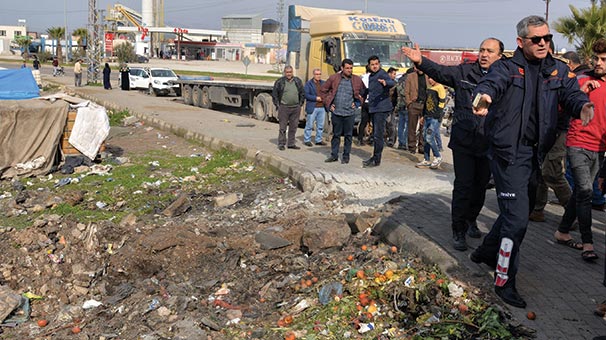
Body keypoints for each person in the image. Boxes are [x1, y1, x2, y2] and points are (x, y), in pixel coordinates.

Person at [471, 15, 593, 308]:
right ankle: (504, 281)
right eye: (536, 39)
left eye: (547, 38)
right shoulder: (507, 67)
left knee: (518, 212)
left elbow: (572, 95)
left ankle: (486, 252)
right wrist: (484, 97)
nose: (543, 43)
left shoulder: (557, 70)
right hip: (508, 154)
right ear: (521, 42)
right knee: (516, 221)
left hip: (536, 154)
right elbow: (491, 83)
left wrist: (583, 107)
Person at [402, 37, 504, 251]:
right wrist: (422, 61)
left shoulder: (503, 77)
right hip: (464, 140)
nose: (484, 54)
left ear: (499, 56)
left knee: (480, 187)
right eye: (482, 50)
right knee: (464, 186)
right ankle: (458, 230)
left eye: (489, 51)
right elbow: (441, 72)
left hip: (488, 142)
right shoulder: (465, 72)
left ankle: (471, 220)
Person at [554, 38, 606, 262]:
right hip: (577, 143)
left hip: (599, 148)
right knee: (585, 192)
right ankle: (588, 242)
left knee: (580, 193)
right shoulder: (581, 80)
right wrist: (581, 92)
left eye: (603, 59)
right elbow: (559, 106)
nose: (598, 62)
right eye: (596, 58)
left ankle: (562, 231)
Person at [320, 59, 366, 164]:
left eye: (351, 68)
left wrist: (358, 103)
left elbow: (364, 92)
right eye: (347, 68)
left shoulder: (357, 80)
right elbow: (323, 91)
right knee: (336, 135)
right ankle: (334, 155)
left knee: (348, 136)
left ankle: (346, 156)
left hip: (350, 113)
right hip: (337, 112)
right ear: (342, 68)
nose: (349, 70)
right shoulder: (334, 78)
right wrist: (329, 104)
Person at [362, 55, 396, 168]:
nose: (375, 66)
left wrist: (386, 83)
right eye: (372, 64)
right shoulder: (372, 75)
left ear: (379, 64)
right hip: (374, 107)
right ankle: (374, 157)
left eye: (376, 64)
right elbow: (371, 90)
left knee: (378, 135)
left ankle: (377, 159)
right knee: (375, 134)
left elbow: (391, 82)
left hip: (381, 108)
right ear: (369, 65)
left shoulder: (381, 74)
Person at [415, 77, 445, 169]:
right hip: (427, 116)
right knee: (424, 138)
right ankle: (426, 159)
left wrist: (437, 116)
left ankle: (438, 156)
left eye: (432, 78)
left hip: (434, 118)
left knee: (429, 137)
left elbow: (442, 103)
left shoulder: (440, 88)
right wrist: (423, 116)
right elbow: (426, 103)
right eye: (429, 78)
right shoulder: (429, 88)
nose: (430, 80)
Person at [271, 65, 304, 150]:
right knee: (283, 127)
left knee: (293, 127)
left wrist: (300, 104)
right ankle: (281, 143)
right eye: (287, 72)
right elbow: (275, 94)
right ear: (284, 73)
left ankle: (291, 143)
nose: (289, 74)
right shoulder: (280, 82)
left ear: (292, 72)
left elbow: (302, 93)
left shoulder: (297, 81)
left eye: (290, 72)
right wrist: (278, 105)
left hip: (295, 108)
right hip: (284, 108)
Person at [404, 66, 428, 154]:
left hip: (425, 105)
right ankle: (412, 146)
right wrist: (409, 103)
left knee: (424, 127)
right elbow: (406, 91)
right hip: (414, 104)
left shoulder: (428, 76)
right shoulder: (410, 76)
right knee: (412, 127)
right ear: (415, 68)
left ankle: (421, 146)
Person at [303, 68, 326, 146]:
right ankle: (307, 140)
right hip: (313, 107)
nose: (318, 76)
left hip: (322, 107)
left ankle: (318, 140)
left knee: (320, 125)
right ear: (313, 75)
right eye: (316, 74)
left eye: (319, 74)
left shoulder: (323, 83)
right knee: (309, 124)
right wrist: (315, 98)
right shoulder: (308, 84)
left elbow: (327, 92)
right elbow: (306, 95)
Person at [394, 68, 414, 150]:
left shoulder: (399, 80)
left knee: (401, 125)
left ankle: (400, 142)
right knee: (408, 125)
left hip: (400, 105)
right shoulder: (409, 81)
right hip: (408, 105)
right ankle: (404, 142)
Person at [356, 64, 373, 146]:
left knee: (363, 121)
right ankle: (372, 139)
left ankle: (360, 139)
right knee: (374, 122)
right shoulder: (374, 77)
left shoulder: (362, 77)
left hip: (364, 102)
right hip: (372, 102)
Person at [385, 67, 399, 147]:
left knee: (391, 124)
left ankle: (391, 140)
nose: (394, 76)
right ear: (389, 74)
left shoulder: (395, 84)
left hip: (392, 107)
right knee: (386, 124)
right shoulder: (385, 83)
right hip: (385, 106)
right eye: (394, 74)